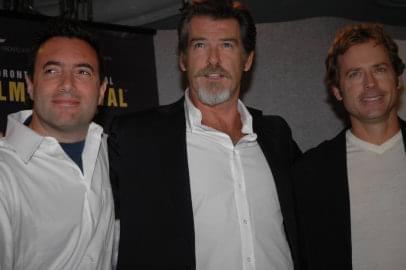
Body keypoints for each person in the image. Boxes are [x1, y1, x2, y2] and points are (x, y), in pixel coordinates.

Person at [109, 0, 302, 269]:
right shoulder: (136, 138)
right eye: (200, 45)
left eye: (227, 45)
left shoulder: (277, 135)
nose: (213, 60)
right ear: (182, 59)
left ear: (247, 60)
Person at [0, 21, 116, 269]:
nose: (67, 84)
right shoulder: (5, 172)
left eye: (83, 72)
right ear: (30, 85)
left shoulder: (116, 153)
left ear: (102, 91)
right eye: (52, 71)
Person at [293, 23, 406, 270]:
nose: (370, 84)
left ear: (397, 80)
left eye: (379, 69)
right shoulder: (310, 173)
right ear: (337, 91)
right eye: (355, 74)